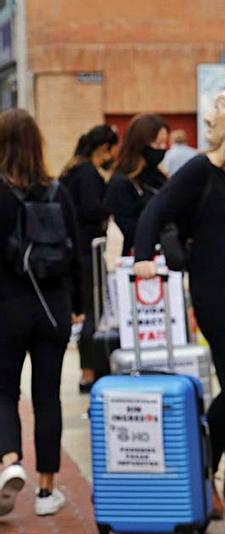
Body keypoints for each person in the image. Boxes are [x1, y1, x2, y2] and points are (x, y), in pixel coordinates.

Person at [133, 89, 225, 517]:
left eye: (220, 106)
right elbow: (154, 212)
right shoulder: (200, 170)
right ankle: (202, 469)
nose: (209, 114)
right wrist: (142, 259)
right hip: (216, 296)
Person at [0, 109, 85, 518]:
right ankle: (47, 490)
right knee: (48, 396)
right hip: (54, 309)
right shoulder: (58, 191)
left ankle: (10, 460)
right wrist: (80, 306)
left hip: (7, 308)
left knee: (4, 392)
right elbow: (78, 255)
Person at [60, 124, 118, 392]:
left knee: (87, 313)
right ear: (104, 148)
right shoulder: (87, 174)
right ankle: (89, 372)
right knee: (93, 313)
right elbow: (92, 209)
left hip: (75, 251)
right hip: (89, 251)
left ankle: (88, 371)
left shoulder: (72, 170)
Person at [104, 114, 169, 254]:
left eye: (165, 143)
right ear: (141, 144)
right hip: (138, 260)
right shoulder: (121, 182)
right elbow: (129, 228)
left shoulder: (160, 177)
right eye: (158, 144)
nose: (163, 149)